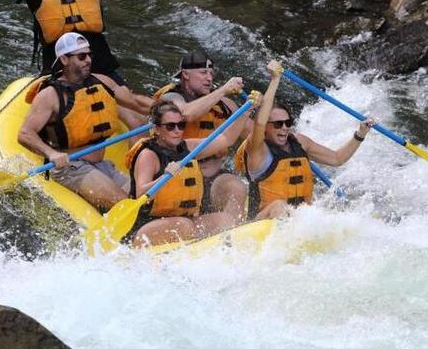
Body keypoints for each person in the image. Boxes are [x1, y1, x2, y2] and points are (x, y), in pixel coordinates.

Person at [18, 32, 154, 210]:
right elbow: (25, 134)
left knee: (146, 200)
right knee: (125, 206)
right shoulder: (50, 95)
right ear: (65, 59)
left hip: (101, 165)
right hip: (70, 167)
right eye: (81, 56)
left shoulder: (102, 81)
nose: (88, 60)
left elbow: (135, 103)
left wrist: (167, 109)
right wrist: (51, 154)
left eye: (90, 55)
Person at [235, 60, 374, 220]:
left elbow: (337, 158)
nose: (284, 128)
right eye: (278, 124)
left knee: (318, 208)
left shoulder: (300, 142)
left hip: (300, 224)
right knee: (280, 206)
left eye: (288, 123)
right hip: (261, 224)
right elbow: (259, 122)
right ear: (266, 128)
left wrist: (360, 134)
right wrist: (275, 80)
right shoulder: (257, 149)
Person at [124, 98, 258, 247]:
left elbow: (225, 139)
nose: (177, 131)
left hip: (182, 219)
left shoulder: (187, 147)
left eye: (181, 125)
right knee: (185, 225)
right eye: (170, 126)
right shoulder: (148, 155)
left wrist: (246, 112)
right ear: (156, 129)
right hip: (147, 226)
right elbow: (141, 193)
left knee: (226, 221)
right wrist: (164, 177)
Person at [155, 50, 248, 222]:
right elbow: (186, 114)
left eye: (211, 73)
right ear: (185, 74)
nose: (209, 78)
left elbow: (253, 132)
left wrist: (257, 107)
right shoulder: (171, 97)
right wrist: (224, 89)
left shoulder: (225, 104)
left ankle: (230, 235)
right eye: (203, 72)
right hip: (179, 178)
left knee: (237, 187)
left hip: (215, 178)